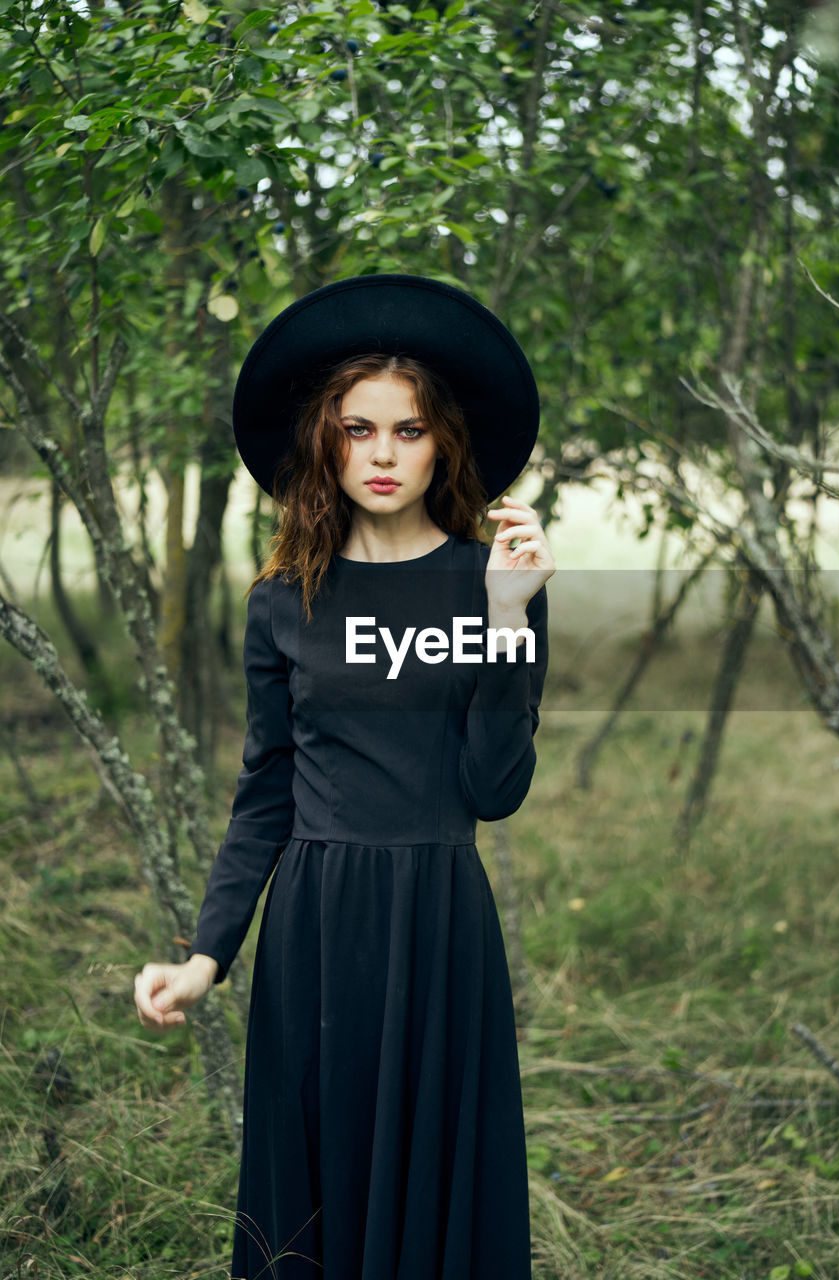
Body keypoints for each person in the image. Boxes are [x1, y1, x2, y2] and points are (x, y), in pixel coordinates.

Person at [133, 274, 555, 1279]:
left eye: (406, 431)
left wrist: (506, 618)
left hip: (440, 918)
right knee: (319, 1188)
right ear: (327, 438)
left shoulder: (494, 580)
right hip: (316, 930)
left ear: (441, 442)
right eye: (359, 428)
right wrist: (206, 955)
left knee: (435, 1182)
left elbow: (493, 787)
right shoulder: (286, 599)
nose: (381, 453)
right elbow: (264, 792)